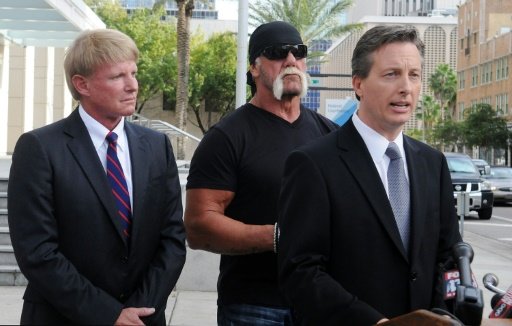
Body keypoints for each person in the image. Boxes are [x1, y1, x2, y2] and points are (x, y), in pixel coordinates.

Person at [277, 25, 462, 325]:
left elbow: (449, 256)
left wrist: (437, 318)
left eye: (414, 75)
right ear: (358, 84)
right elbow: (300, 272)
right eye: (391, 74)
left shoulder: (433, 163)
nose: (406, 87)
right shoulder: (313, 164)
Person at [8, 29, 186, 325]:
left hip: (142, 318)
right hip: (62, 317)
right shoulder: (39, 148)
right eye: (118, 77)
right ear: (82, 84)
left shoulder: (157, 147)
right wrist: (109, 314)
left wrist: (138, 310)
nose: (133, 86)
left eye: (134, 73)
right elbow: (37, 251)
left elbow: (172, 239)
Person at [184, 21, 338, 325]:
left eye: (299, 52)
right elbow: (198, 226)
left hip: (320, 301)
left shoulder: (330, 134)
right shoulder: (227, 137)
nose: (292, 60)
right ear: (255, 68)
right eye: (278, 52)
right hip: (253, 306)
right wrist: (278, 237)